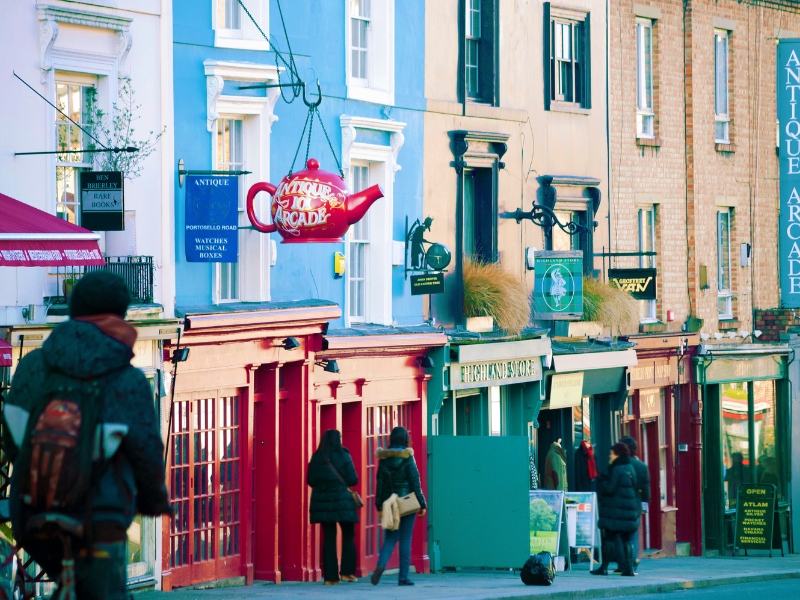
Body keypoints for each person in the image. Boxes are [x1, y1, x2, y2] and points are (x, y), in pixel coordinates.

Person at [2, 271, 171, 600]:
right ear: (122, 314)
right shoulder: (127, 379)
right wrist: (153, 499)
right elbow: (147, 450)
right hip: (100, 518)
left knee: (64, 577)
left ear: (73, 312)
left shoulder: (34, 365)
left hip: (32, 511)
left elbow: (11, 436)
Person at [371, 426, 426, 587]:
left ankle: (380, 565)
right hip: (407, 501)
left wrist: (379, 505)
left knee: (390, 538)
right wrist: (422, 504)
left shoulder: (384, 459)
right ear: (405, 439)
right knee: (405, 539)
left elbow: (380, 483)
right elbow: (415, 482)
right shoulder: (408, 457)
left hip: (389, 503)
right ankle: (403, 578)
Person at [307, 429, 359, 585]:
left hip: (323, 502)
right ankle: (347, 573)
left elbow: (310, 480)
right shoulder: (344, 455)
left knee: (329, 538)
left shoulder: (316, 458)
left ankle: (330, 577)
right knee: (348, 536)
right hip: (343, 501)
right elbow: (353, 479)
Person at [590, 442, 640, 577]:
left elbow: (610, 489)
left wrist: (601, 481)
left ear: (617, 454)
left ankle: (604, 568)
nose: (609, 456)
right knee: (627, 538)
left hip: (616, 512)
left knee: (610, 537)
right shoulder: (629, 467)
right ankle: (629, 569)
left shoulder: (616, 469)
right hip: (628, 511)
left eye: (611, 453)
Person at [619, 435, 649, 574]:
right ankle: (632, 565)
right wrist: (644, 506)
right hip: (635, 506)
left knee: (619, 535)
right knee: (632, 536)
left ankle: (623, 565)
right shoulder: (641, 466)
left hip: (619, 505)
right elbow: (646, 489)